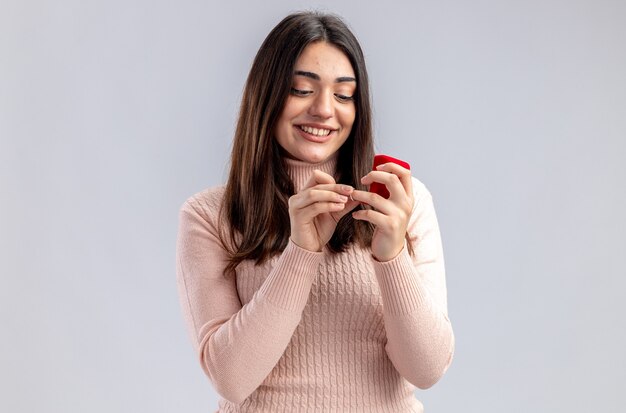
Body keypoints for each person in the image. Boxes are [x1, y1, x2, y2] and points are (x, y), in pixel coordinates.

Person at [176, 11, 454, 412]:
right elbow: (232, 378)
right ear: (267, 95)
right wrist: (300, 252)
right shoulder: (210, 216)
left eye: (344, 95)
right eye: (302, 90)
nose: (325, 110)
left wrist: (391, 257)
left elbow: (426, 369)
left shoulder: (401, 203)